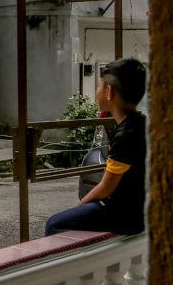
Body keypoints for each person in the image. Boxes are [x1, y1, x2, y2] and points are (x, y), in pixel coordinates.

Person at [45, 57, 147, 236]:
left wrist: (79, 205)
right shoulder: (141, 123)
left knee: (55, 224)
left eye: (99, 86)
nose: (96, 91)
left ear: (109, 92)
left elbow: (106, 187)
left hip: (126, 216)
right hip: (139, 209)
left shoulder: (126, 135)